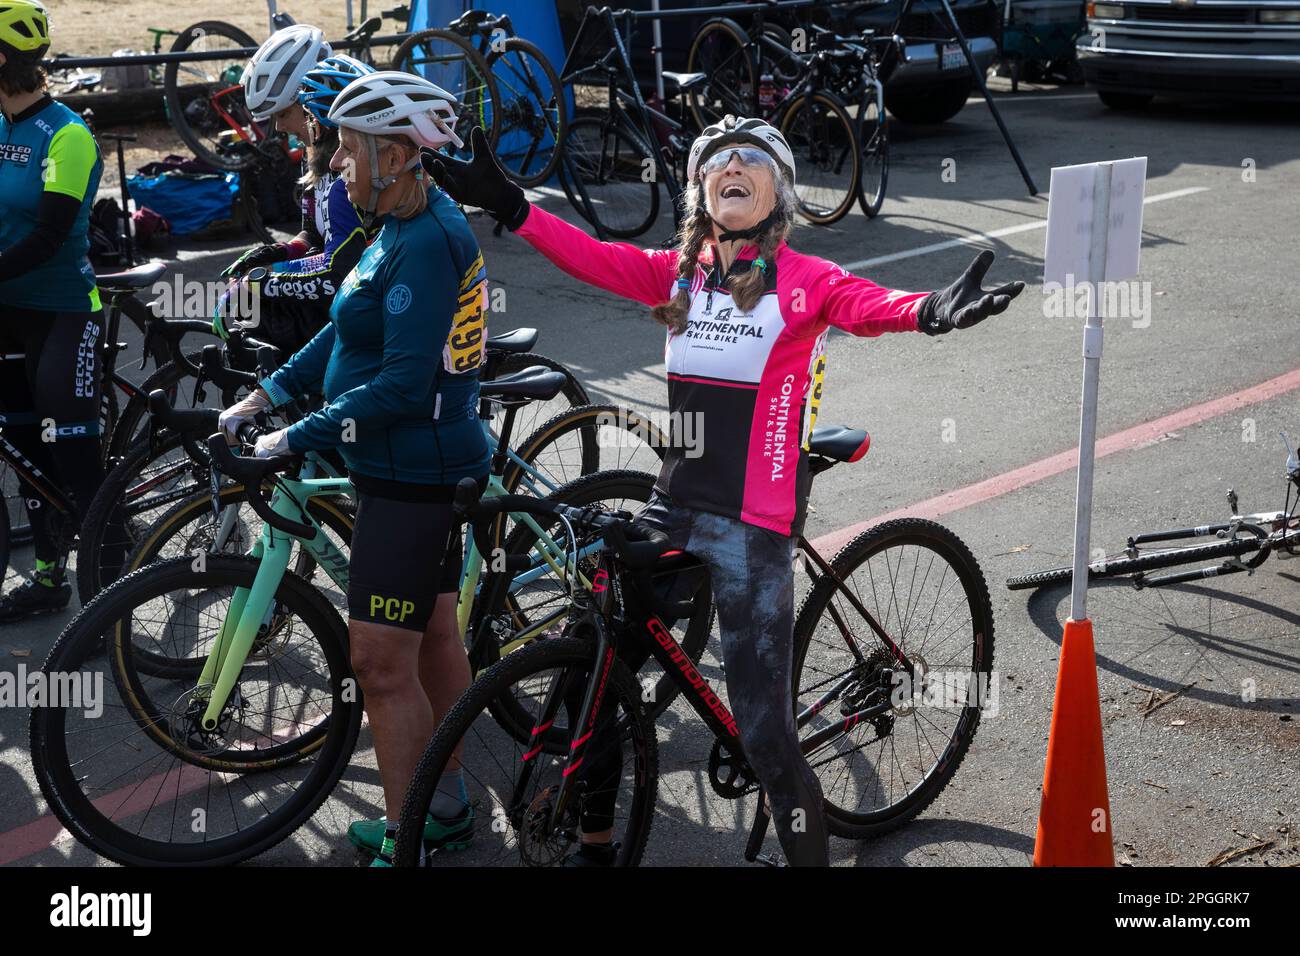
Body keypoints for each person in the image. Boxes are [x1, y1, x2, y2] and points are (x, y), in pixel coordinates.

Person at [424, 116, 1025, 866]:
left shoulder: (802, 280)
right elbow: (590, 254)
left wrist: (930, 310)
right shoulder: (678, 277)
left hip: (753, 524)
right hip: (675, 507)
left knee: (768, 740)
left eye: (752, 158)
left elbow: (867, 304)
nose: (731, 166)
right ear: (699, 193)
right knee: (594, 661)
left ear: (781, 192)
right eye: (716, 161)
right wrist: (511, 205)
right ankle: (597, 841)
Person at [219, 71, 489, 866]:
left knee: (377, 663)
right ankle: (445, 808)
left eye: (347, 148)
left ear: (399, 154)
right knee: (436, 636)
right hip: (410, 468)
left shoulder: (432, 240)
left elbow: (403, 385)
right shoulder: (398, 226)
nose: (335, 163)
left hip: (414, 474)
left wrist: (294, 436)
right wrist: (267, 393)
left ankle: (408, 839)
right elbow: (346, 332)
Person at [0, 0, 107, 622]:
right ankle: (47, 577)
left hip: (63, 311)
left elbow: (46, 240)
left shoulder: (67, 134)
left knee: (75, 463)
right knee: (23, 451)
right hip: (7, 312)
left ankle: (108, 600)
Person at [215, 30, 371, 358]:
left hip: (367, 301)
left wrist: (266, 280)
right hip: (345, 290)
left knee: (256, 314)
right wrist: (278, 253)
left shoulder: (349, 167)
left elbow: (339, 269)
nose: (279, 128)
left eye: (283, 113)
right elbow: (314, 234)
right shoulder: (316, 151)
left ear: (315, 102)